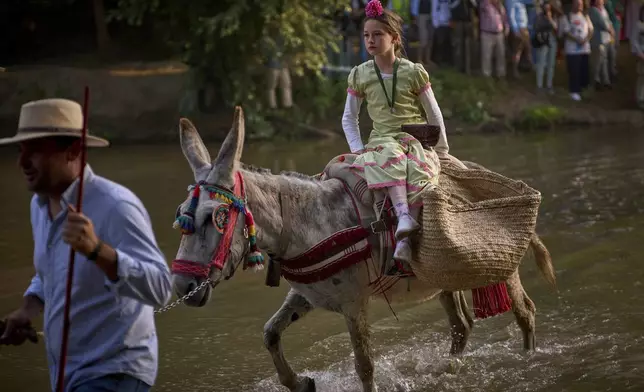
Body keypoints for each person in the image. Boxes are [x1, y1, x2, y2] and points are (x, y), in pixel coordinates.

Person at [0, 98, 173, 391]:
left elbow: (161, 288)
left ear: (74, 150)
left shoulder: (116, 205)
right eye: (21, 150)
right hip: (68, 375)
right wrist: (28, 309)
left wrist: (98, 251)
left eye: (36, 150)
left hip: (115, 371)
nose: (22, 162)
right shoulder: (39, 205)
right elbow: (52, 270)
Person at [341, 0, 449, 276]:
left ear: (394, 39)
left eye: (377, 34)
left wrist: (443, 151)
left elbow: (433, 113)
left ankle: (404, 242)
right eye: (367, 35)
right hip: (381, 140)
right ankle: (403, 217)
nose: (370, 40)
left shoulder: (413, 71)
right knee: (390, 154)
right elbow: (349, 119)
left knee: (420, 168)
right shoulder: (361, 74)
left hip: (412, 139)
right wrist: (358, 149)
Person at [559, 0, 594, 101]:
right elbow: (565, 32)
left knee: (584, 71)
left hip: (584, 49)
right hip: (572, 50)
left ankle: (583, 90)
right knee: (574, 71)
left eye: (581, 4)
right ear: (572, 5)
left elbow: (591, 30)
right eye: (577, 4)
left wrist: (586, 39)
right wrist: (576, 40)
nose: (579, 6)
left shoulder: (585, 17)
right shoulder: (567, 17)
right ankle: (574, 91)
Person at [533, 0, 560, 93]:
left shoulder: (554, 17)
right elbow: (536, 28)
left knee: (551, 64)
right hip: (543, 41)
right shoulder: (539, 17)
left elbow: (556, 28)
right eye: (546, 7)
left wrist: (550, 19)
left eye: (549, 7)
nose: (547, 9)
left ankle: (549, 85)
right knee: (541, 64)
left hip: (552, 40)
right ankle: (539, 86)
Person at [589, 0, 615, 90]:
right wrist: (610, 30)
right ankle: (596, 81)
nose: (601, 1)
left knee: (604, 60)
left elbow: (608, 21)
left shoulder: (603, 10)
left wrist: (611, 30)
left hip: (606, 39)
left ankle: (606, 81)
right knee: (598, 61)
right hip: (598, 40)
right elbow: (602, 23)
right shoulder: (593, 10)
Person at [634, 2, 644, 109]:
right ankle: (640, 100)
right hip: (642, 53)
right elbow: (634, 41)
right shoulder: (638, 25)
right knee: (642, 77)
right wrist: (640, 53)